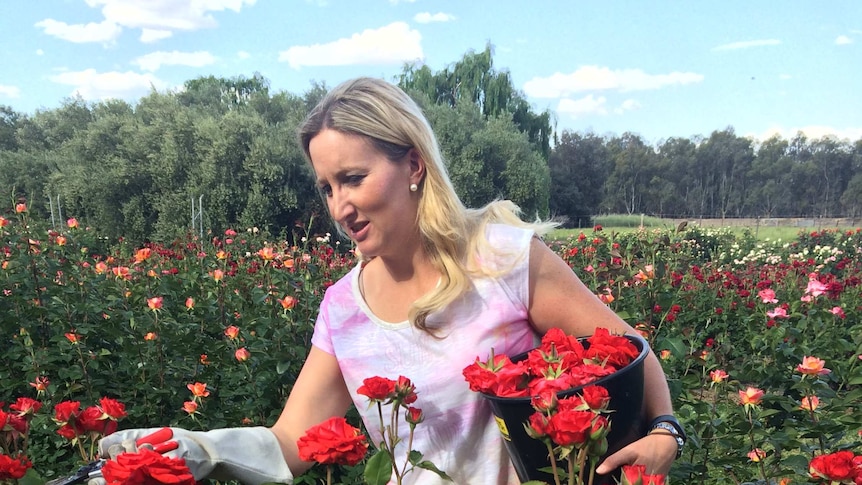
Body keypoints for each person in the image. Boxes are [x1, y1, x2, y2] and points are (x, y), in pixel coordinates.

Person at [94, 77, 682, 484]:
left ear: (414, 166)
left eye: (353, 177)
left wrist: (666, 432)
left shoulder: (502, 259)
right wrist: (199, 448)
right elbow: (293, 440)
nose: (340, 205)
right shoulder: (343, 308)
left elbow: (629, 351)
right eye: (327, 187)